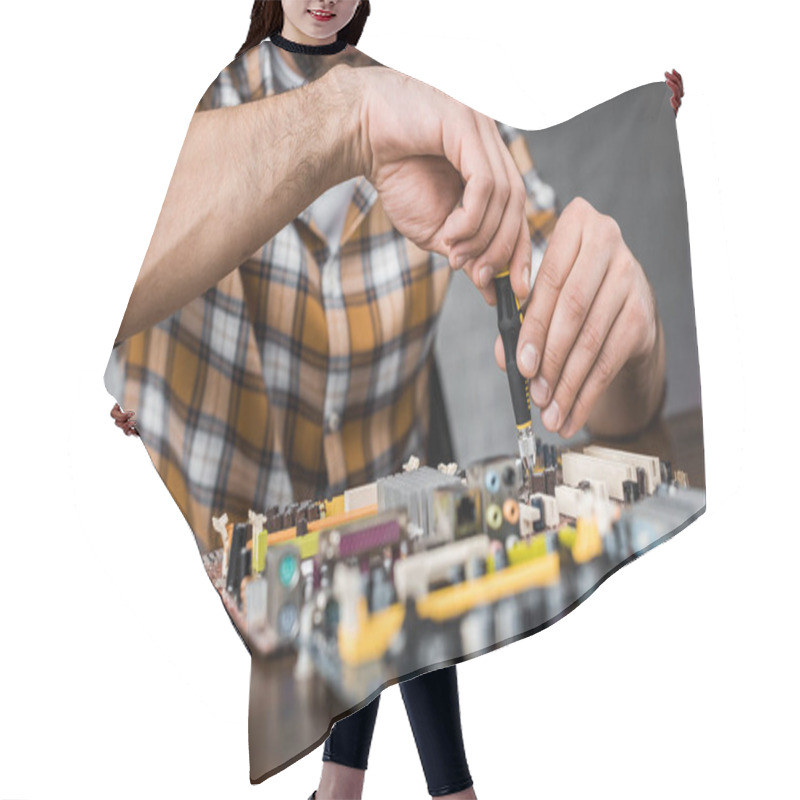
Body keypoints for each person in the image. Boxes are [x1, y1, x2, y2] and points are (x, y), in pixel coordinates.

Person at [105, 1, 668, 797]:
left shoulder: (414, 101)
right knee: (361, 593)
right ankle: (400, 789)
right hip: (269, 493)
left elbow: (541, 215)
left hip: (396, 485)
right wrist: (143, 375)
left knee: (391, 589)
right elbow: (154, 252)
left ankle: (380, 789)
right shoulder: (229, 101)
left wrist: (645, 125)